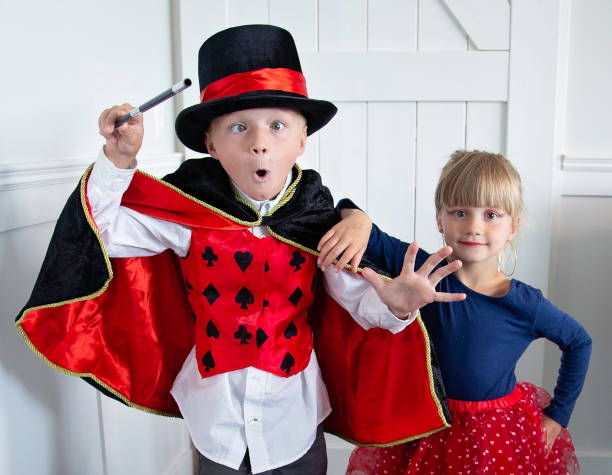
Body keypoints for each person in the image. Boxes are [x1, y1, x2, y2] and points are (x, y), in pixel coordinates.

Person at [16, 25, 466, 474]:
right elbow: (103, 230)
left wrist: (397, 307)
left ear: (302, 138)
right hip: (216, 421)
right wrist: (118, 161)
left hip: (295, 421)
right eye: (238, 127)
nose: (259, 142)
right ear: (210, 144)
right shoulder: (191, 212)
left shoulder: (318, 220)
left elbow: (358, 300)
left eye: (276, 125)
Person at [320, 150, 592, 474]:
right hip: (424, 423)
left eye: (491, 215)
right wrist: (357, 218)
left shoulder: (524, 304)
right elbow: (358, 225)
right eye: (460, 212)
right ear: (440, 219)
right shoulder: (420, 269)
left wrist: (559, 414)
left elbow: (579, 342)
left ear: (513, 226)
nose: (474, 227)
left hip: (492, 438)